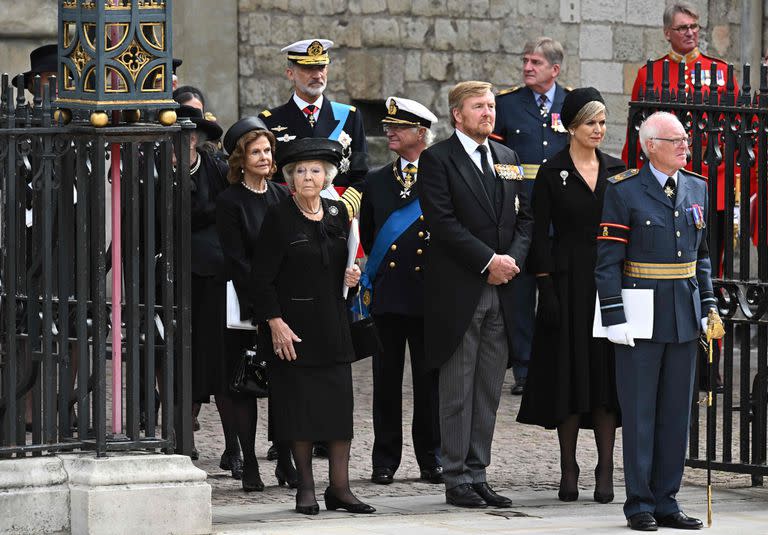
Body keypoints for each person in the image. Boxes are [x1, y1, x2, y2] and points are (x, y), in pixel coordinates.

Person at [595, 111, 723, 531]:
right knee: (639, 414)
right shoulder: (625, 190)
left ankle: (667, 500)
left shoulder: (697, 187)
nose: (685, 145)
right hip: (640, 315)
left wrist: (708, 306)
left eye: (685, 139)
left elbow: (702, 257)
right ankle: (640, 504)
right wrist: (614, 315)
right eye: (676, 140)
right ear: (651, 145)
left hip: (683, 315)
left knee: (675, 413)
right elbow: (608, 261)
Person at [418, 81, 534, 508]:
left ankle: (478, 471)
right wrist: (489, 261)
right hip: (461, 289)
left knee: (487, 388)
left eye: (490, 105)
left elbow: (525, 219)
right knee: (458, 388)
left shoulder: (507, 158)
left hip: (502, 289)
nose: (488, 112)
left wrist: (511, 263)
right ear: (457, 114)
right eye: (478, 106)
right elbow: (443, 223)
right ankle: (455, 476)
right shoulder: (437, 160)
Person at [249, 137, 374, 516]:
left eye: (315, 171)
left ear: (327, 177)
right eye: (300, 171)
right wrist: (275, 323)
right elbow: (260, 279)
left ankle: (340, 488)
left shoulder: (338, 215)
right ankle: (305, 488)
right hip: (293, 331)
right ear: (289, 177)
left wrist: (352, 276)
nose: (307, 176)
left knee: (338, 412)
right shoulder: (279, 216)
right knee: (300, 413)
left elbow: (342, 266)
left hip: (333, 327)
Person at [516, 88, 624, 504]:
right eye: (590, 123)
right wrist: (545, 285)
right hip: (565, 281)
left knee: (604, 375)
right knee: (568, 374)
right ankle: (568, 467)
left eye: (601, 122)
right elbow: (538, 231)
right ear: (571, 127)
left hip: (607, 282)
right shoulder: (551, 171)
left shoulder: (617, 170)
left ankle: (604, 468)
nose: (598, 129)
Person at [622, 1, 733, 393]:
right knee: (667, 274)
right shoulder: (650, 74)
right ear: (667, 32)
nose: (690, 33)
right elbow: (634, 139)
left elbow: (738, 137)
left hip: (711, 190)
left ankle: (710, 361)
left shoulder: (720, 73)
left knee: (710, 274)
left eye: (694, 26)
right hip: (661, 193)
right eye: (682, 27)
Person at [359, 97, 442, 486]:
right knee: (385, 383)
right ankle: (385, 460)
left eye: (398, 127)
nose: (388, 131)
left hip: (429, 297)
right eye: (388, 126)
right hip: (390, 298)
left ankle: (432, 457)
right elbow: (373, 236)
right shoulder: (376, 180)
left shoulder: (442, 176)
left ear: (421, 134)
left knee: (429, 384)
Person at [216, 117, 297, 491]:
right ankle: (249, 462)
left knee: (283, 386)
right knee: (244, 385)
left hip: (282, 301)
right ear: (241, 158)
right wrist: (265, 303)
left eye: (268, 150)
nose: (265, 157)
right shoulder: (230, 201)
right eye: (256, 152)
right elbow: (237, 259)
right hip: (247, 306)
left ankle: (284, 459)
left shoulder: (282, 194)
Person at [491, 38, 570, 394]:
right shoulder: (507, 104)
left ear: (554, 69)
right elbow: (495, 157)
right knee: (520, 296)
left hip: (559, 215)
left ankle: (552, 366)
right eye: (525, 61)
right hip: (520, 214)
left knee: (555, 292)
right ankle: (523, 369)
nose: (527, 68)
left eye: (535, 62)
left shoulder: (571, 103)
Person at [258, 39, 368, 220]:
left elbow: (360, 174)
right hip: (289, 217)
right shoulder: (270, 120)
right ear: (290, 73)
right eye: (308, 69)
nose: (317, 75)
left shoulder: (350, 116)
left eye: (321, 67)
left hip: (337, 216)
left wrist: (343, 208)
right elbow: (267, 177)